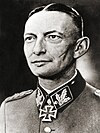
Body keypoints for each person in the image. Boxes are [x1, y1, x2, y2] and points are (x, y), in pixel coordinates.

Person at [0, 3, 100, 133]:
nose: (37, 50)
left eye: (53, 37)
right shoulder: (10, 110)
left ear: (79, 47)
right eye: (30, 38)